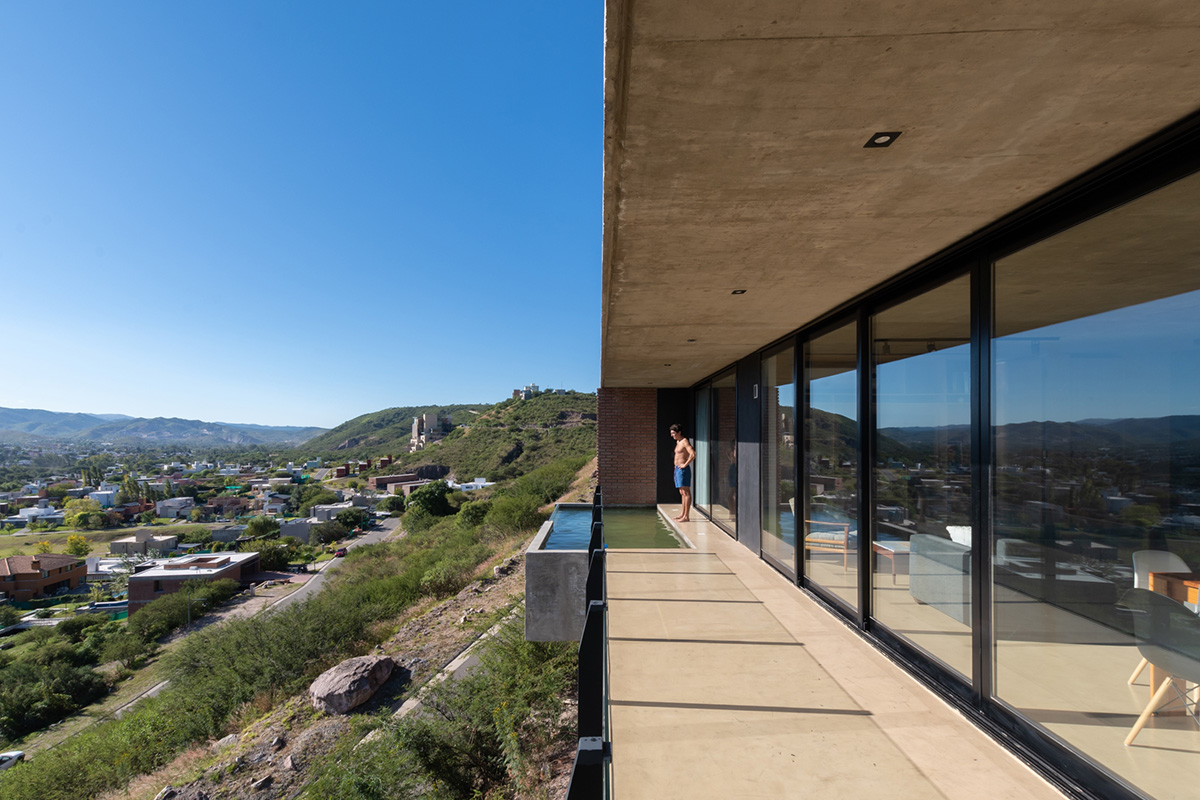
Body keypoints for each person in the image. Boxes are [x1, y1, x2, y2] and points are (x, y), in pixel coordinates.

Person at [669, 423, 696, 522]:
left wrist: (685, 464)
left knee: (686, 492)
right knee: (682, 492)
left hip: (683, 470)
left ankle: (686, 516)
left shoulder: (684, 441)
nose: (672, 435)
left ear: (679, 432)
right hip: (677, 470)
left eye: (673, 433)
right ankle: (683, 514)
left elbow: (693, 454)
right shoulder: (678, 442)